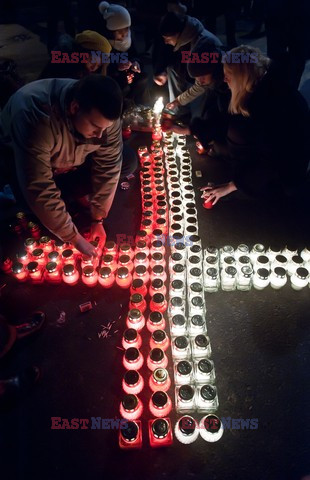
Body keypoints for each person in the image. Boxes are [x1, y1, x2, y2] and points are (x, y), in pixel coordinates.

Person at [0, 75, 130, 257]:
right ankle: (61, 196)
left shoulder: (104, 118)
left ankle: (68, 193)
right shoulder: (34, 116)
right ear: (74, 107)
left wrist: (97, 218)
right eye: (95, 127)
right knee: (37, 214)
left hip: (70, 161)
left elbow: (109, 166)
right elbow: (38, 186)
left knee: (128, 159)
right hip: (21, 158)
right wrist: (73, 237)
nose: (100, 135)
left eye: (105, 129)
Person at [201, 46, 310, 206]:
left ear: (241, 77)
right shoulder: (264, 85)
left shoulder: (270, 105)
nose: (224, 80)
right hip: (271, 160)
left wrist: (233, 186)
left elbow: (272, 160)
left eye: (228, 76)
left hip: (285, 174)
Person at [165, 38, 230, 153]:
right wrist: (177, 102)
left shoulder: (229, 83)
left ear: (214, 70)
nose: (200, 80)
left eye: (202, 76)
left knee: (221, 146)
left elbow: (224, 120)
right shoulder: (211, 75)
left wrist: (192, 130)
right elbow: (197, 88)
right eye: (196, 77)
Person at [152, 12, 222, 108]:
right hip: (200, 75)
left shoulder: (203, 47)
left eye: (167, 38)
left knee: (205, 112)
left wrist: (178, 101)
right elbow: (164, 51)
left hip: (214, 84)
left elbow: (201, 84)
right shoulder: (184, 35)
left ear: (178, 34)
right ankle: (178, 111)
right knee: (172, 68)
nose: (166, 42)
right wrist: (160, 70)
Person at [98, 1, 150, 106]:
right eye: (120, 32)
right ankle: (122, 108)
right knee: (122, 86)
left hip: (128, 72)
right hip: (113, 75)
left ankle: (142, 109)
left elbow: (135, 54)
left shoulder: (128, 37)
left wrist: (135, 62)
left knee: (143, 78)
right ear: (111, 30)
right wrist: (117, 66)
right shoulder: (103, 43)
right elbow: (101, 66)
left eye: (126, 31)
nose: (124, 36)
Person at [40, 30, 112, 80]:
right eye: (92, 62)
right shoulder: (67, 65)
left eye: (98, 65)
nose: (94, 67)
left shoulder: (82, 68)